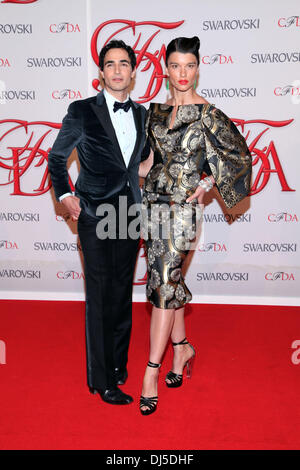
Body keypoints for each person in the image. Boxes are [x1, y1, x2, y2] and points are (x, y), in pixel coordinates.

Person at [138, 36, 252, 415]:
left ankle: (151, 371)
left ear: (197, 68)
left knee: (164, 285)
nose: (182, 73)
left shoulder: (209, 115)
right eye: (175, 66)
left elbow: (239, 156)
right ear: (166, 69)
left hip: (182, 213)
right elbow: (148, 164)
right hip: (152, 208)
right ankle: (182, 348)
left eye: (189, 65)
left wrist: (207, 185)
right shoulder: (155, 112)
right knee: (164, 284)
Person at [48, 40, 148, 405]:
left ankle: (118, 365)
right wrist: (65, 196)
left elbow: (145, 163)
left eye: (124, 63)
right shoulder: (81, 111)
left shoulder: (141, 115)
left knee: (122, 293)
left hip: (128, 214)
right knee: (100, 295)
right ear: (101, 72)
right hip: (94, 213)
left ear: (133, 72)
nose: (118, 70)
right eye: (110, 64)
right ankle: (102, 380)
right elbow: (57, 158)